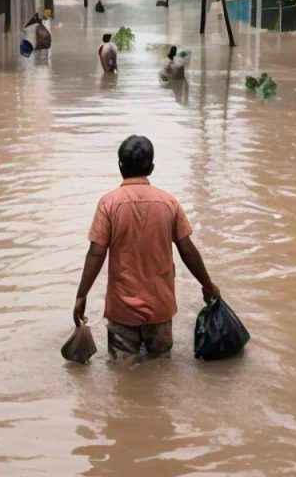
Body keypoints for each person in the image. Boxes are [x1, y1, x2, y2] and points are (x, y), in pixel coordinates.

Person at [73, 135, 220, 361]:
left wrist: (81, 295)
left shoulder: (108, 204)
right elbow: (187, 249)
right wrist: (207, 285)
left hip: (122, 312)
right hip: (160, 310)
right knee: (161, 372)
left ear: (120, 166)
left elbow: (96, 252)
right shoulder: (169, 203)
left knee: (123, 378)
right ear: (151, 168)